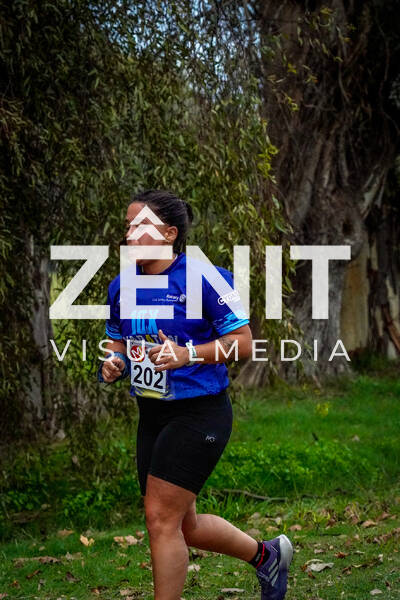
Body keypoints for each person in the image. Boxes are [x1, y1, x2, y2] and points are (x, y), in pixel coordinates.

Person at [98, 189, 293, 600]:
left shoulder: (204, 277)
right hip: (152, 414)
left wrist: (187, 354)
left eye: (141, 226)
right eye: (128, 226)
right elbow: (117, 341)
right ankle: (266, 556)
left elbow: (243, 343)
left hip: (200, 413)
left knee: (159, 519)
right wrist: (113, 362)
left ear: (169, 234)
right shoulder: (121, 286)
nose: (130, 235)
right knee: (183, 524)